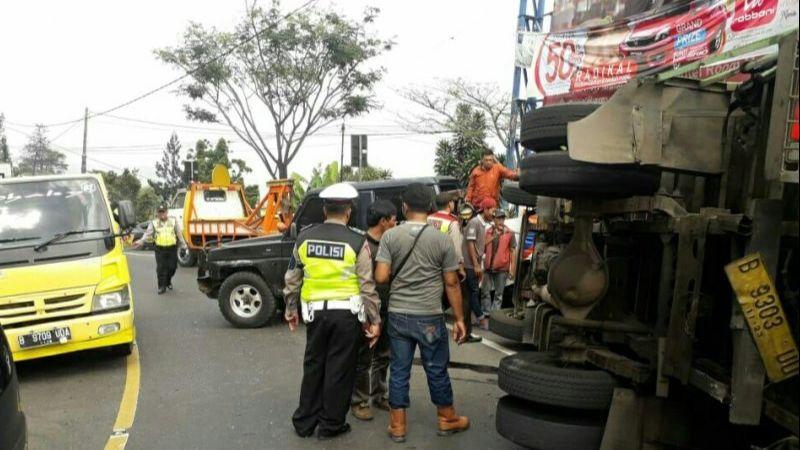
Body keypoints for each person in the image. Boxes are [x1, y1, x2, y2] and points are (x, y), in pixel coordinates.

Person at [283, 183, 382, 440]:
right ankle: (330, 425)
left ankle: (304, 422)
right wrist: (375, 319)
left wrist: (291, 308)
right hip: (346, 316)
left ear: (325, 210)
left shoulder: (304, 238)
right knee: (339, 369)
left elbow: (293, 277)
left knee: (314, 364)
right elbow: (366, 285)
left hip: (315, 314)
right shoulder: (357, 240)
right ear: (348, 211)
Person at [374, 183, 469, 443]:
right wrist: (460, 319)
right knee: (436, 369)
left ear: (404, 207)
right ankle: (447, 418)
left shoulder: (390, 236)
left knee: (399, 369)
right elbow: (451, 283)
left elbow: (381, 276)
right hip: (429, 315)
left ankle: (398, 425)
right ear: (429, 207)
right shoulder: (441, 239)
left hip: (398, 314)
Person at [351, 200, 397, 421]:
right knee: (364, 357)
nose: (396, 223)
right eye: (393, 219)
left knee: (384, 355)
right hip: (367, 312)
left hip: (388, 309)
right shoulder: (361, 245)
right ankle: (359, 400)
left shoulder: (390, 243)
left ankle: (379, 395)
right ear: (383, 221)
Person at [133, 204, 187, 294]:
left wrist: (183, 245)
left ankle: (168, 280)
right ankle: (161, 286)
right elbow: (148, 233)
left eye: (163, 212)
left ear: (167, 212)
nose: (162, 214)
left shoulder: (173, 221)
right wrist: (140, 241)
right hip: (160, 249)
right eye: (160, 212)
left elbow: (179, 234)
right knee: (161, 268)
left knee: (172, 267)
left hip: (172, 248)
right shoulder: (154, 223)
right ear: (157, 213)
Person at [463, 197, 497, 330]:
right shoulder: (474, 222)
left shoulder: (482, 224)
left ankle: (472, 319)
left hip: (475, 264)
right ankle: (482, 319)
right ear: (485, 210)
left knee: (473, 293)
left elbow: (478, 245)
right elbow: (470, 243)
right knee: (473, 292)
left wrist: (492, 238)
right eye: (492, 211)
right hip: (470, 265)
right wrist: (476, 265)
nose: (494, 215)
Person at [481, 209, 517, 312]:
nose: (501, 221)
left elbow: (513, 251)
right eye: (499, 218)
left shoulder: (510, 233)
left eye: (503, 218)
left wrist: (512, 269)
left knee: (498, 295)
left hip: (502, 269)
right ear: (494, 220)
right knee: (485, 292)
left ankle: (494, 316)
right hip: (488, 267)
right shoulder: (488, 231)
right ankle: (486, 313)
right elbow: (482, 247)